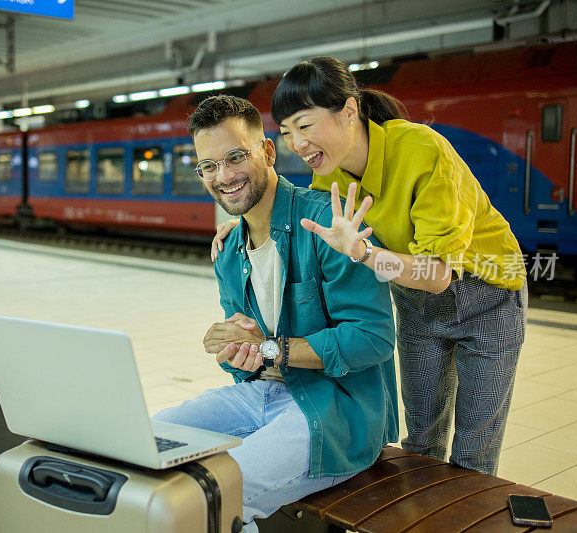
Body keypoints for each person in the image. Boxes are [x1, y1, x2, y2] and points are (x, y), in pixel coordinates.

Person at [212, 57, 527, 476]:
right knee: (422, 441)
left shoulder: (420, 148)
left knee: (473, 453)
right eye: (287, 133)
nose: (297, 144)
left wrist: (364, 254)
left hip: (488, 297)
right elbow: (298, 205)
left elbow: (437, 276)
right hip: (414, 302)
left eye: (305, 126)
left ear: (348, 111)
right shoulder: (329, 178)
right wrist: (246, 219)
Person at [153, 94, 399, 532]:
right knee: (141, 446)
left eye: (234, 157)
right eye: (208, 165)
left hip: (337, 410)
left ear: (267, 151)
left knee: (208, 497)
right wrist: (238, 353)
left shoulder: (325, 223)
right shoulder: (228, 250)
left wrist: (269, 347)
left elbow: (374, 338)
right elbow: (249, 362)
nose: (222, 176)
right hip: (261, 398)